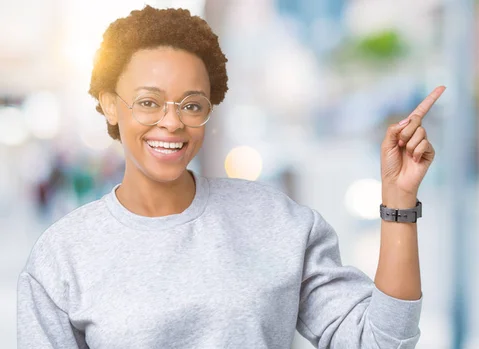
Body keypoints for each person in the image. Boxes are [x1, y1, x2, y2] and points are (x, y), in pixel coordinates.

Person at [17, 5, 445, 349]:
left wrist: (399, 200)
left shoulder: (276, 222)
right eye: (148, 103)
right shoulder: (62, 257)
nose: (172, 122)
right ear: (111, 105)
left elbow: (382, 341)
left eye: (191, 105)